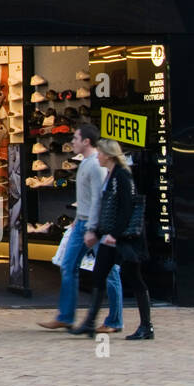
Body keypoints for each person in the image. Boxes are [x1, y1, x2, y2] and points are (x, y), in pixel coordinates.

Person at [38, 122, 123, 332]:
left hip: (95, 224)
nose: (72, 142)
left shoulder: (95, 165)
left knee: (110, 271)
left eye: (75, 139)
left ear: (86, 141)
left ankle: (114, 321)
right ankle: (66, 316)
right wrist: (79, 219)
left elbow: (99, 199)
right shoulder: (86, 163)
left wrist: (93, 228)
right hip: (83, 222)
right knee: (68, 265)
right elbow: (88, 198)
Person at [70, 138, 154, 340]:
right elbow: (109, 210)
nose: (97, 156)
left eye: (99, 153)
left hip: (123, 238)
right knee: (99, 275)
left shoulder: (122, 176)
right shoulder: (112, 175)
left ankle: (146, 326)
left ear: (107, 155)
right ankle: (90, 322)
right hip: (112, 236)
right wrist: (98, 233)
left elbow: (125, 209)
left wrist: (112, 235)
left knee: (135, 279)